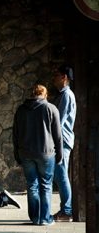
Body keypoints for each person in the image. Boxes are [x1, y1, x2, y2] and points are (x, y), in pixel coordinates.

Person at [13, 84, 63, 226]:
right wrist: (60, 155)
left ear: (32, 94)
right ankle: (45, 218)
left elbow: (15, 134)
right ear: (45, 95)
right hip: (46, 153)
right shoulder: (51, 109)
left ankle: (35, 218)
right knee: (46, 185)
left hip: (26, 153)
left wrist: (17, 154)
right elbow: (58, 136)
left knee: (32, 185)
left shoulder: (21, 110)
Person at [51, 65, 76, 222]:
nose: (54, 78)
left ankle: (67, 211)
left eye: (56, 75)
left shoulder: (66, 95)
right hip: (61, 140)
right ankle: (65, 209)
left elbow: (58, 121)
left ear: (64, 77)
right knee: (59, 175)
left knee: (61, 176)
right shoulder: (63, 95)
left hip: (63, 141)